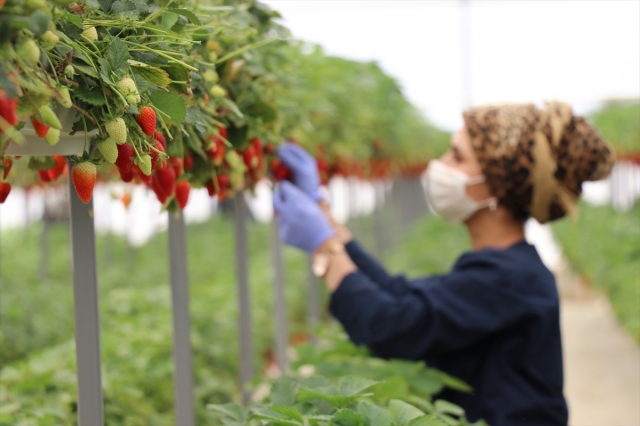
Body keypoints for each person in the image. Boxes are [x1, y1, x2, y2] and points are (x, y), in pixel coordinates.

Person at [272, 101, 614, 426]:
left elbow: (392, 326)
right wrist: (323, 213)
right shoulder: (506, 270)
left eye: (456, 156)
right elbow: (398, 296)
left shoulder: (509, 280)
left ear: (494, 185)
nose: (439, 164)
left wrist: (325, 248)